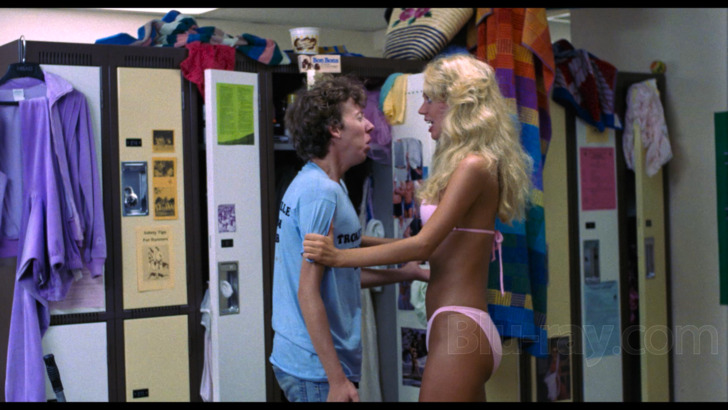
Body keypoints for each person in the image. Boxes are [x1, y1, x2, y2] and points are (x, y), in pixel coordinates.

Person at [303, 53, 533, 402]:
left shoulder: (475, 165)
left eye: (429, 99)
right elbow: (432, 243)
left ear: (456, 102)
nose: (422, 110)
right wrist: (354, 241)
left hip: (460, 328)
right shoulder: (460, 162)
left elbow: (423, 245)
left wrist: (337, 257)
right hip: (452, 325)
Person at [269, 74, 429, 402]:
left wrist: (406, 269)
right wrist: (337, 380)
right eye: (359, 117)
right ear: (335, 129)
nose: (370, 126)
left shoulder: (329, 184)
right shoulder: (320, 192)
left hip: (315, 363)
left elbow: (343, 274)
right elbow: (308, 292)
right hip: (315, 369)